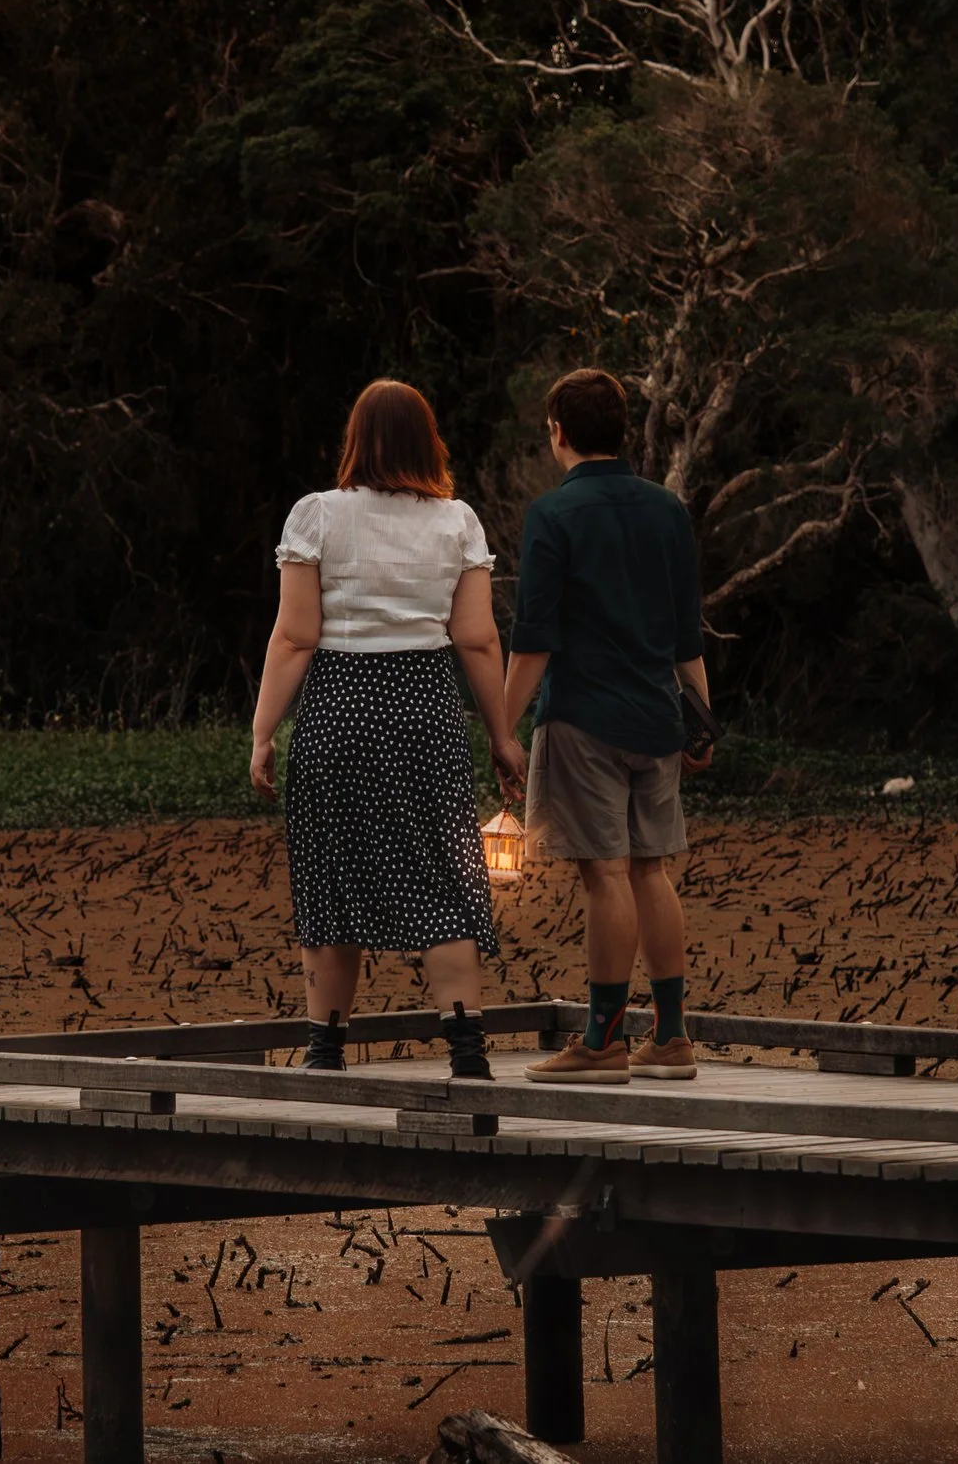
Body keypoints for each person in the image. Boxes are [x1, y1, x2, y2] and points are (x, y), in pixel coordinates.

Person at [250, 380, 529, 1078]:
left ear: (356, 441)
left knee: (331, 876)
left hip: (339, 707)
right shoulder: (457, 522)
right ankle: (467, 1052)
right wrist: (502, 734)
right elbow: (477, 640)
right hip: (423, 709)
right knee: (442, 876)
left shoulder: (316, 516)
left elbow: (293, 637)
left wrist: (263, 733)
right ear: (426, 442)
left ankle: (325, 1050)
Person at [499, 368, 712, 1084]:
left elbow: (534, 641)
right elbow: (688, 636)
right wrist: (700, 722)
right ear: (620, 429)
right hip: (658, 715)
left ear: (558, 432)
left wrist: (503, 727)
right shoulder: (667, 510)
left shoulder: (554, 516)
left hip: (585, 717)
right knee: (651, 868)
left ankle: (603, 1040)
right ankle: (673, 1035)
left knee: (605, 876)